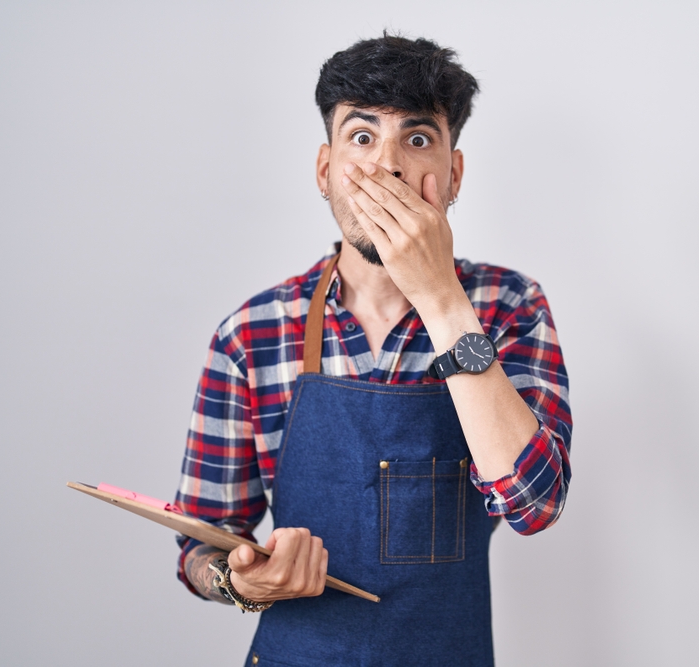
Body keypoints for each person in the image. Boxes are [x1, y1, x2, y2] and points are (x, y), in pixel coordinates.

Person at [174, 33, 572, 666]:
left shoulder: (509, 306)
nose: (387, 167)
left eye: (416, 139)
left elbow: (536, 502)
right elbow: (203, 538)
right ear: (324, 169)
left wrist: (441, 298)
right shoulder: (251, 333)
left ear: (454, 175)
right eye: (362, 137)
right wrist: (237, 580)